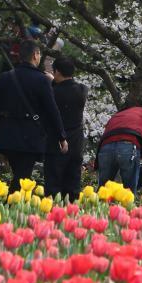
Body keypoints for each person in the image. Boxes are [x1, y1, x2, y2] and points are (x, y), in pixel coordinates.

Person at [0, 40, 68, 192]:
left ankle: (12, 205)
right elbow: (52, 110)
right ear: (35, 55)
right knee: (22, 178)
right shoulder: (42, 79)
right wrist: (61, 136)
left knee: (20, 174)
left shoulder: (5, 77)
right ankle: (11, 205)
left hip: (7, 134)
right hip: (30, 137)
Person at [97, 96, 142, 190]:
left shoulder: (117, 115)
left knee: (103, 190)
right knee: (129, 192)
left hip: (105, 146)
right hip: (128, 145)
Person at [44, 57, 88, 200]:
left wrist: (51, 82)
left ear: (57, 71)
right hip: (76, 144)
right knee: (73, 183)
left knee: (53, 183)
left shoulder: (53, 92)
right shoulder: (82, 90)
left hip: (56, 142)